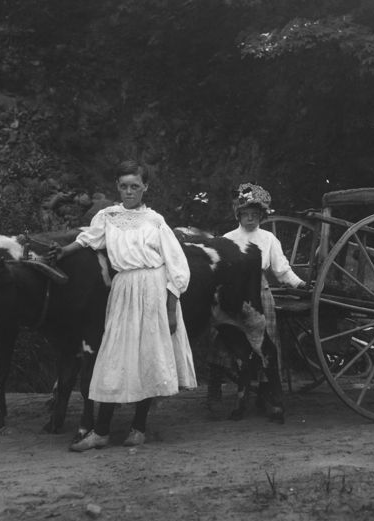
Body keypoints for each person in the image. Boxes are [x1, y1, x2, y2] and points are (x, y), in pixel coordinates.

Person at [46, 160, 196, 450]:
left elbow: (177, 265)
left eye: (135, 187)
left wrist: (170, 307)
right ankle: (101, 431)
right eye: (124, 186)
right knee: (115, 356)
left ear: (145, 187)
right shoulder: (107, 216)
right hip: (124, 288)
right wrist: (64, 250)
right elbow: (89, 239)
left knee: (146, 356)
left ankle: (138, 427)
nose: (129, 192)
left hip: (153, 288)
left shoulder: (155, 221)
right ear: (117, 186)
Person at [209, 183, 306, 402]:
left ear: (261, 216)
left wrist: (299, 284)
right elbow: (217, 268)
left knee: (266, 338)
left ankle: (265, 390)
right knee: (221, 335)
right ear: (238, 215)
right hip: (231, 292)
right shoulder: (227, 239)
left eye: (255, 214)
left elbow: (281, 270)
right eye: (246, 214)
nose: (250, 219)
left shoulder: (268, 239)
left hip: (257, 291)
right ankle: (214, 385)